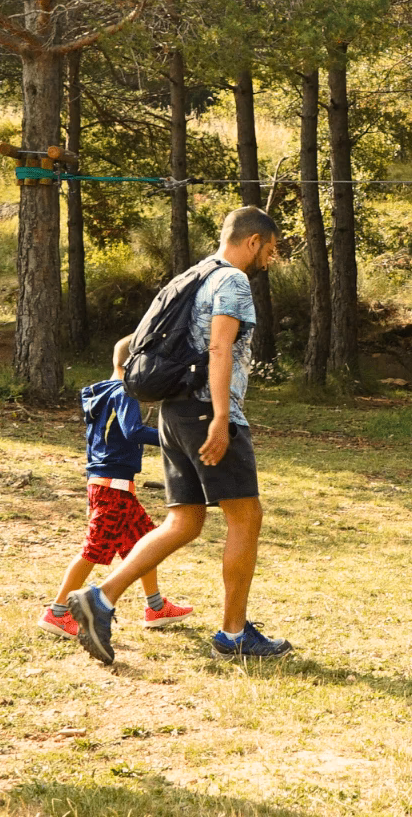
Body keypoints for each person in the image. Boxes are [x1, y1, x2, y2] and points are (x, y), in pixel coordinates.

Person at [68, 206, 290, 663]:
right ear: (252, 241)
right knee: (246, 517)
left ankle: (100, 598)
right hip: (206, 410)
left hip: (173, 409)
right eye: (270, 249)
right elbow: (220, 347)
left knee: (184, 521)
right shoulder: (233, 280)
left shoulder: (193, 275)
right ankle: (234, 635)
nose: (270, 258)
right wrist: (222, 417)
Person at [38, 337, 193, 639]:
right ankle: (57, 613)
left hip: (108, 484)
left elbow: (98, 443)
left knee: (146, 542)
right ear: (135, 364)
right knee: (93, 551)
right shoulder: (124, 392)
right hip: (112, 488)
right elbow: (133, 431)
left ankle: (156, 607)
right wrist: (175, 438)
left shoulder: (102, 393)